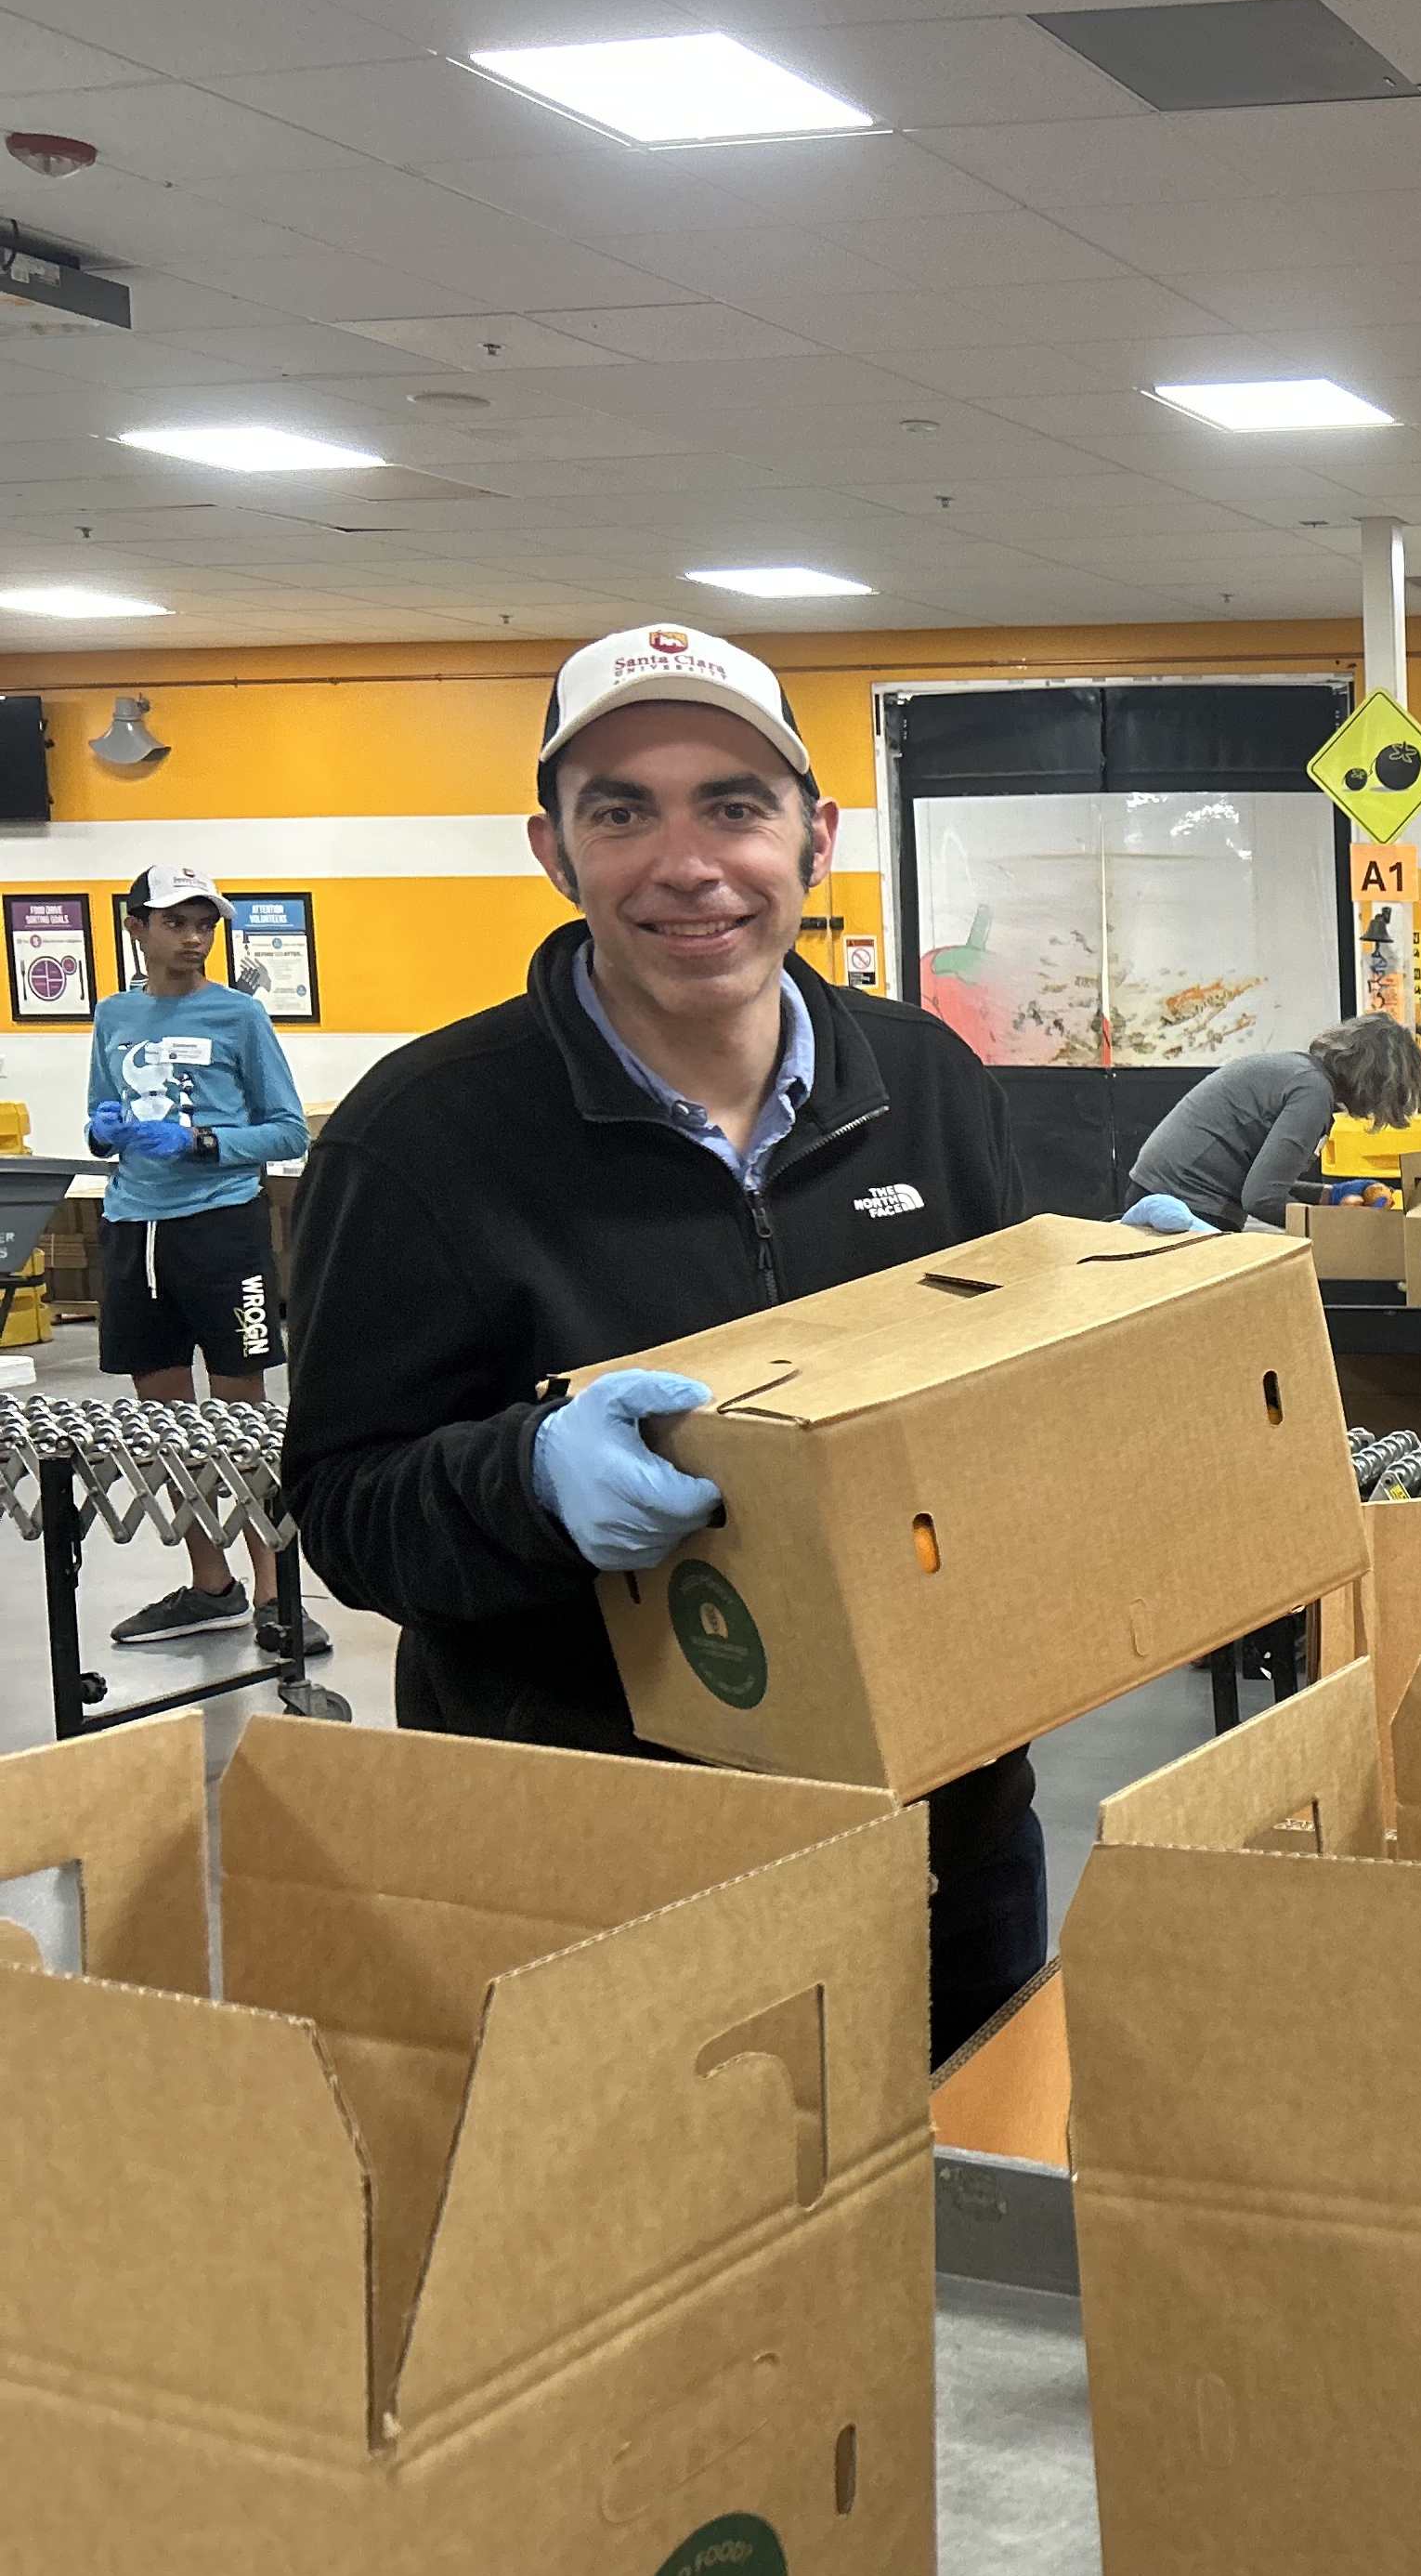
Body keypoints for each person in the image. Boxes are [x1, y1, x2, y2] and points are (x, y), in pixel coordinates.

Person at [282, 621, 1151, 2063]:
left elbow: (997, 1397)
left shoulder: (927, 1080)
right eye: (622, 812)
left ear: (816, 838)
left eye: (734, 806)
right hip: (604, 1868)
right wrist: (528, 1481)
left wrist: (1118, 1313)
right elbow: (345, 1509)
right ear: (554, 853)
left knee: (957, 2193)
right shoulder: (421, 1138)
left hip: (943, 1835)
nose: (688, 865)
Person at [84, 864, 320, 1656]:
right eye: (175, 922)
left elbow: (288, 1130)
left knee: (238, 1419)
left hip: (222, 1228)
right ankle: (210, 1585)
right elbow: (98, 1117)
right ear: (137, 928)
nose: (193, 938)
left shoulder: (239, 1016)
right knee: (167, 1424)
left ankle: (275, 1592)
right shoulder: (114, 1015)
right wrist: (104, 1129)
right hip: (134, 1231)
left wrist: (200, 1141)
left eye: (205, 924)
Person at [1128, 1012, 1421, 1231]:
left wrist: (1329, 1196)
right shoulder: (1312, 1092)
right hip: (1185, 1209)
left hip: (1162, 1194)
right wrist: (1337, 1228)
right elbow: (1262, 1198)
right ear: (1377, 1081)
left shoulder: (1297, 1071)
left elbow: (1265, 1184)